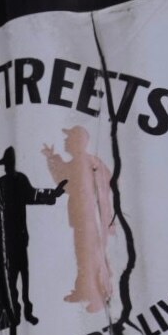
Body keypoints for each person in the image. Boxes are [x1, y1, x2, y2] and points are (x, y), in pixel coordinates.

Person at [42, 126, 115, 313]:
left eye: (69, 138)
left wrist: (52, 159)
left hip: (90, 220)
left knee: (92, 256)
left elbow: (63, 181)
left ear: (78, 141)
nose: (65, 141)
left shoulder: (84, 162)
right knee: (84, 255)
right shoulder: (88, 161)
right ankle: (85, 290)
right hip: (85, 219)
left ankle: (99, 296)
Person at [0, 146, 66, 325]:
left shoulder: (19, 181)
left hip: (19, 238)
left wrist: (53, 194)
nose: (8, 166)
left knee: (24, 276)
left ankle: (26, 312)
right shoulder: (0, 184)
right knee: (11, 278)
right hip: (6, 240)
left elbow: (33, 195)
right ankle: (15, 313)